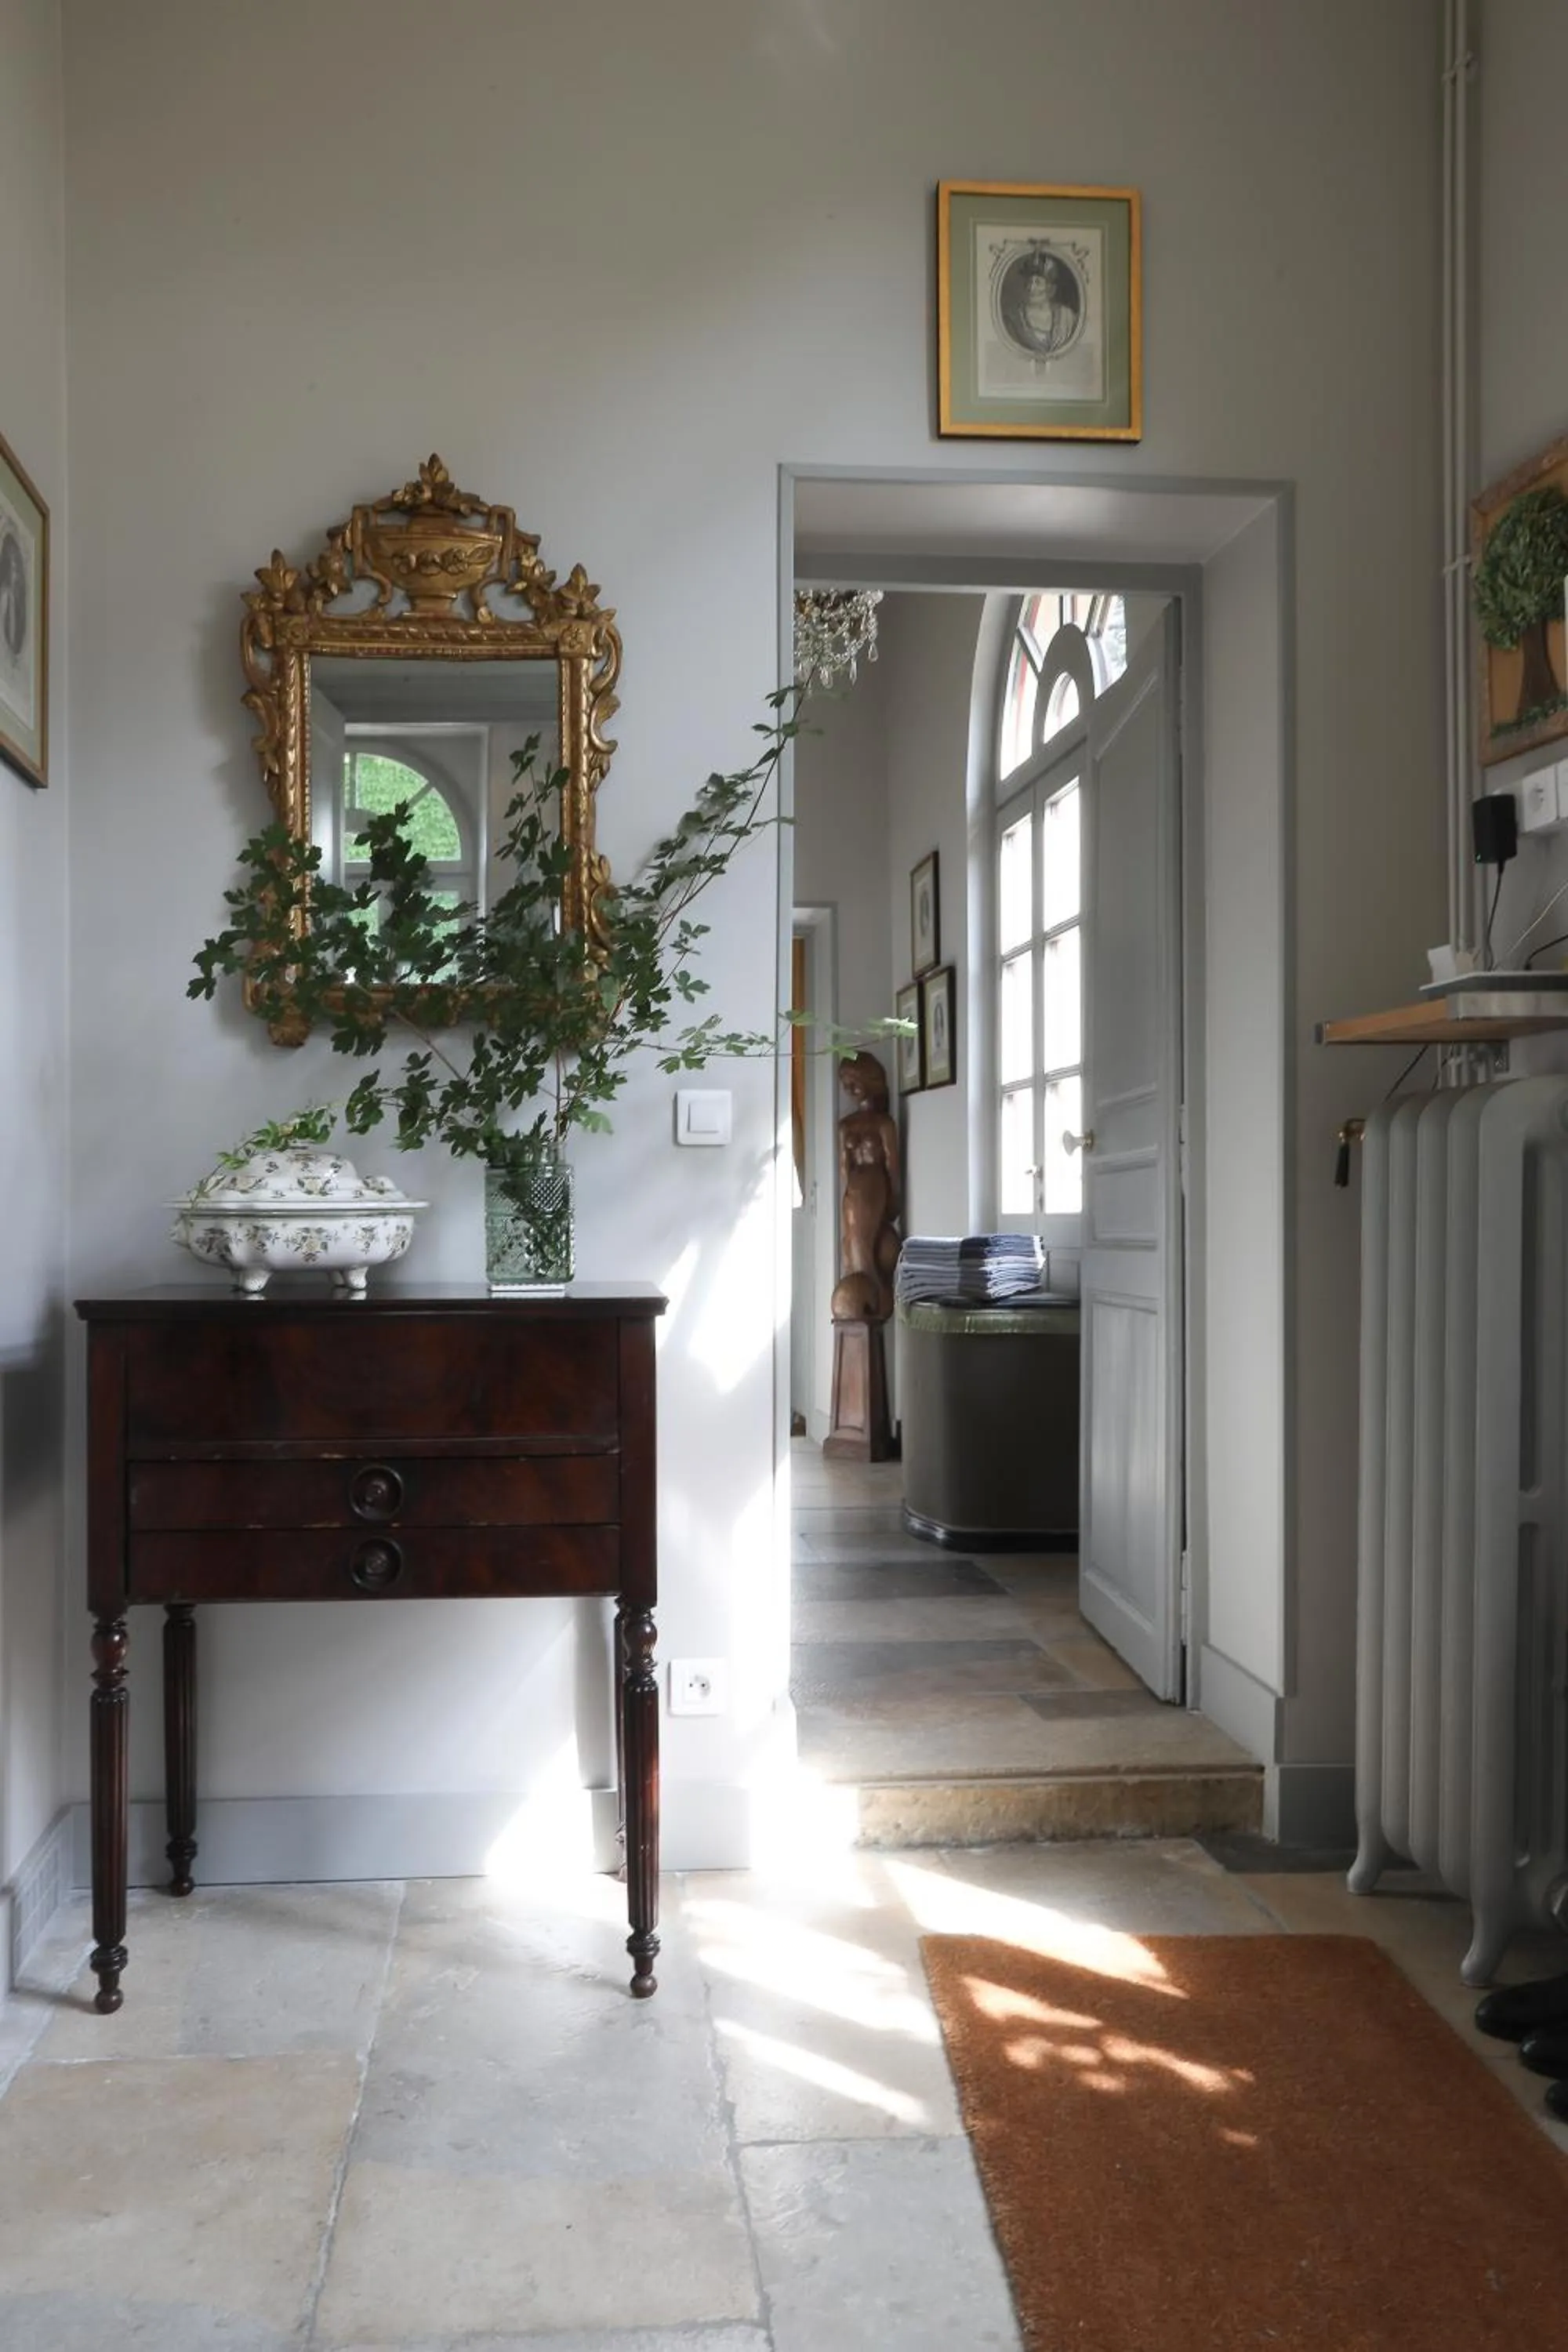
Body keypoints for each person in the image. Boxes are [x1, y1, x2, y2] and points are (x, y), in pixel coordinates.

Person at [829, 1050, 901, 1323]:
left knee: (864, 1247)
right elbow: (844, 1169)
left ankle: (872, 1294)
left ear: (869, 1079)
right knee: (853, 1244)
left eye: (853, 1081)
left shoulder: (884, 1123)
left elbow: (893, 1167)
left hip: (874, 1187)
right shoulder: (844, 1126)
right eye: (844, 1083)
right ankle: (859, 1292)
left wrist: (894, 1201)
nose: (848, 1089)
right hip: (855, 1191)